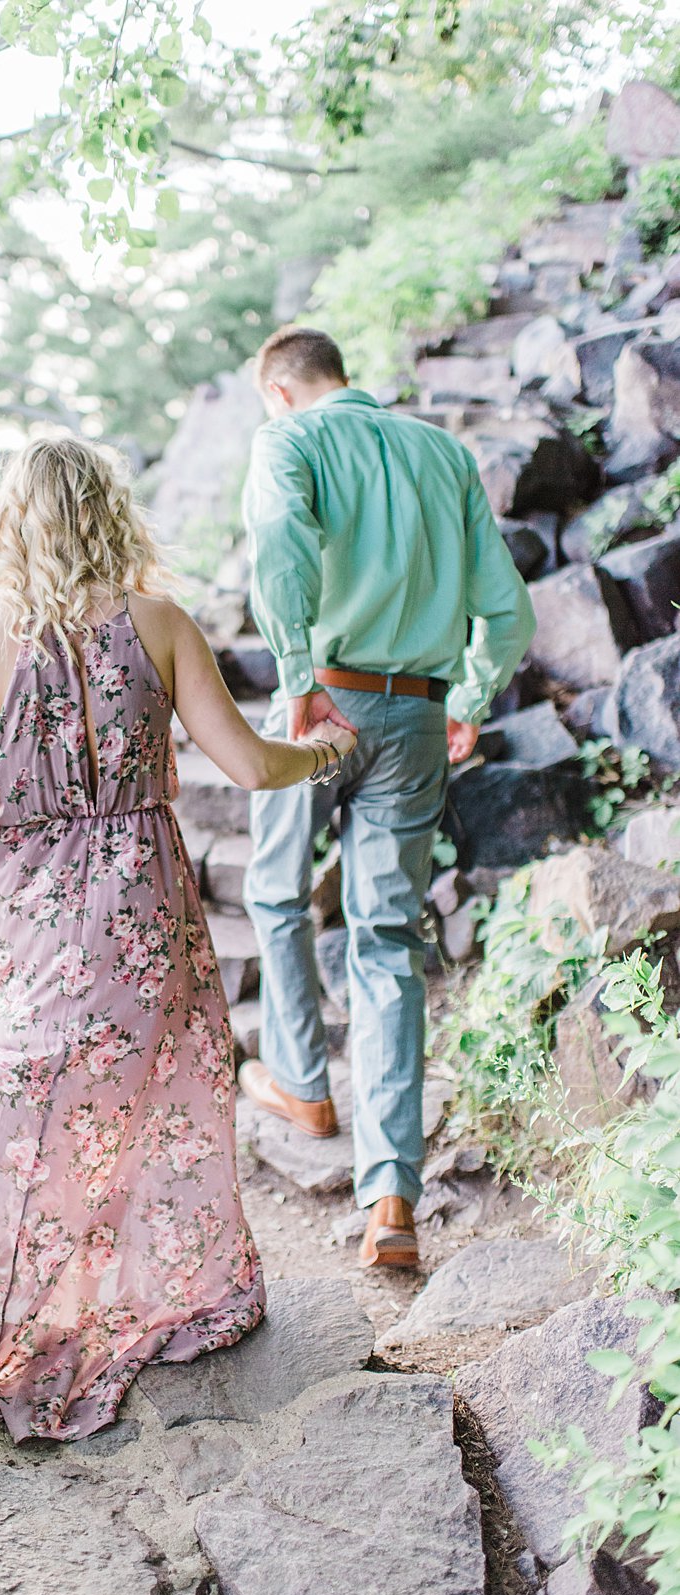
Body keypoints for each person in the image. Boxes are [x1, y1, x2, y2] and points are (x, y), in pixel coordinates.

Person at [0, 435, 357, 1444]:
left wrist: (23, 899)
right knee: (135, 1117)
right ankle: (140, 1302)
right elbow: (243, 765)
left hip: (23, 905)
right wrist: (323, 753)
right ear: (110, 512)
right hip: (146, 910)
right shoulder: (160, 623)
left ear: (8, 519)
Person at [238, 325, 536, 1270]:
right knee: (388, 943)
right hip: (415, 717)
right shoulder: (442, 453)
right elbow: (511, 610)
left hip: (322, 706)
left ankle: (302, 1083)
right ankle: (393, 1199)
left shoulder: (289, 441)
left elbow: (280, 538)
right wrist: (472, 699)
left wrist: (298, 678)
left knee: (278, 890)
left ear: (279, 391)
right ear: (342, 375)